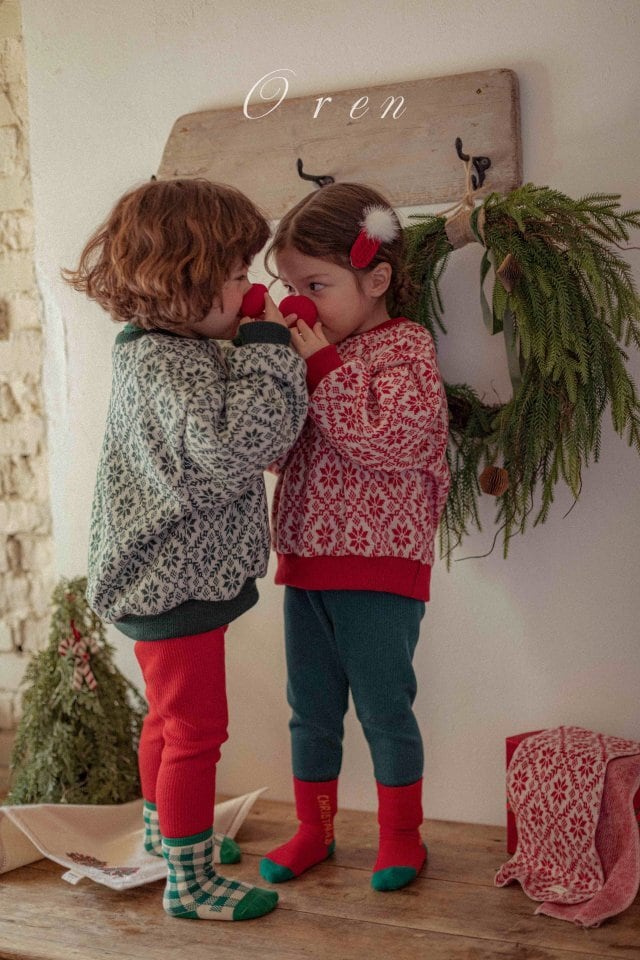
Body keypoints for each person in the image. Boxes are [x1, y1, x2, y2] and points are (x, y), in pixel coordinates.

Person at [63, 178, 307, 920]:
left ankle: (166, 838)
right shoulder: (170, 366)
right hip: (173, 582)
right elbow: (238, 447)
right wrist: (267, 346)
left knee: (167, 723)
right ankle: (190, 884)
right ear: (185, 281)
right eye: (235, 275)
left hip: (161, 573)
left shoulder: (158, 349)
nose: (247, 289)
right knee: (196, 733)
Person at [258, 182, 451, 892]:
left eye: (316, 286)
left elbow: (387, 441)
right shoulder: (312, 353)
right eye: (290, 287)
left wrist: (318, 367)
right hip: (307, 564)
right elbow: (280, 453)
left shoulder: (405, 349)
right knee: (309, 711)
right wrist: (274, 371)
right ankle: (315, 830)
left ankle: (402, 837)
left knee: (384, 710)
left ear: (375, 280)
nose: (299, 303)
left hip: (378, 568)